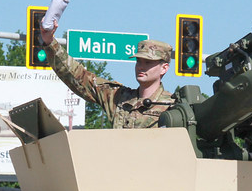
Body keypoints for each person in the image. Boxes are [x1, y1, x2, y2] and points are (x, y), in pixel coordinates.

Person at [40, 21, 175, 128]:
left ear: (164, 68)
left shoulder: (173, 107)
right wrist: (50, 42)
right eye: (138, 61)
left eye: (148, 62)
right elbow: (79, 77)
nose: (141, 67)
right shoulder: (119, 98)